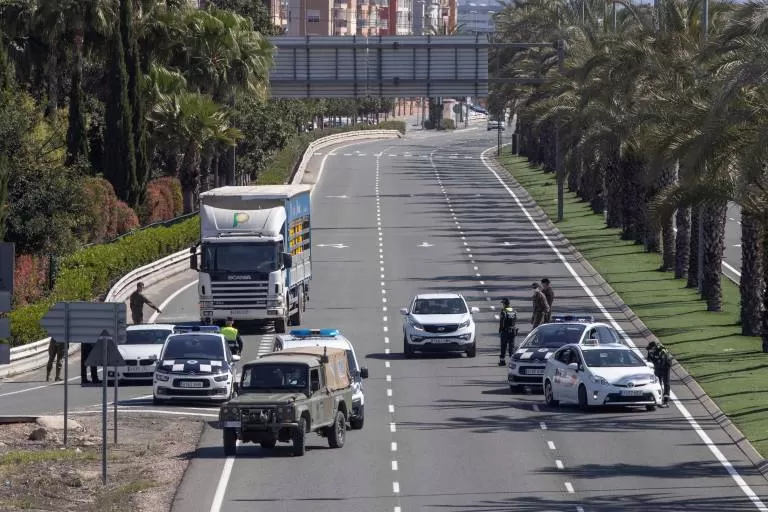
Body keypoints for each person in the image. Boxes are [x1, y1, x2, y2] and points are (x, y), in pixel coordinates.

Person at [647, 341, 671, 407]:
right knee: (657, 382)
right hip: (658, 366)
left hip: (665, 366)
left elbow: (662, 361)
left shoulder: (661, 351)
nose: (650, 351)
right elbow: (649, 360)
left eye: (652, 349)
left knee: (666, 382)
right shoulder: (650, 351)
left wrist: (656, 368)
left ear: (654, 348)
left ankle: (666, 401)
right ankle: (658, 399)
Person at [498, 298, 518, 366]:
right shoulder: (513, 310)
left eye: (503, 303)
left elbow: (502, 322)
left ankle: (502, 361)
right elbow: (515, 320)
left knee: (503, 346)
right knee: (511, 346)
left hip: (505, 331)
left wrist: (500, 331)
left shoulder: (504, 311)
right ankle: (512, 361)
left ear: (504, 304)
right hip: (513, 331)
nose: (502, 305)